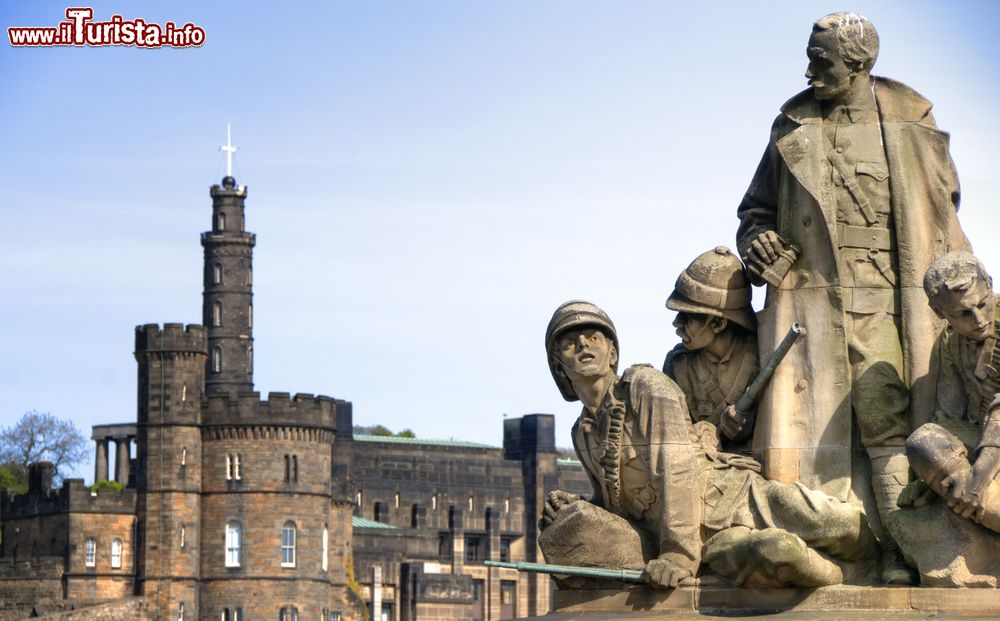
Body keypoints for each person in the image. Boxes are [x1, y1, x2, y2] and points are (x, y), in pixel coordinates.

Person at [734, 12, 968, 583]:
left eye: (823, 61)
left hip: (894, 300)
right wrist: (758, 241)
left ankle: (905, 552)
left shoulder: (912, 123)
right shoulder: (791, 125)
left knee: (888, 428)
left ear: (860, 63)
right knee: (813, 443)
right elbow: (754, 213)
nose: (809, 71)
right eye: (811, 58)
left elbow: (945, 212)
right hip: (813, 304)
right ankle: (837, 549)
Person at [540, 301, 876, 589]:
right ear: (559, 366)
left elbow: (677, 468)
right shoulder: (581, 434)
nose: (584, 345)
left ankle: (890, 558)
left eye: (594, 338)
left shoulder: (645, 387)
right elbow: (618, 506)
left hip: (732, 498)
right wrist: (583, 505)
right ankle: (845, 578)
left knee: (837, 524)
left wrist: (677, 554)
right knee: (777, 553)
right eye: (570, 343)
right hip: (702, 538)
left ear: (612, 353)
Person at [903, 252, 1000, 531]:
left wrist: (979, 476)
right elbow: (949, 418)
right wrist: (928, 478)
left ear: (989, 284)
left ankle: (975, 496)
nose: (979, 319)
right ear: (939, 312)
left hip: (993, 446)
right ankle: (978, 503)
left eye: (983, 304)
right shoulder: (948, 342)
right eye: (963, 314)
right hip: (980, 439)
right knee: (923, 440)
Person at [663, 246, 759, 451]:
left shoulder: (762, 357)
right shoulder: (678, 365)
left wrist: (749, 425)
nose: (677, 323)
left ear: (717, 323)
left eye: (687, 317)